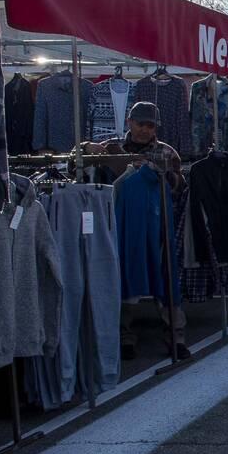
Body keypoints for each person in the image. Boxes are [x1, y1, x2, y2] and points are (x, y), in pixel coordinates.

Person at [81, 101, 188, 361]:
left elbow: (180, 185)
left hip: (158, 225)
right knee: (123, 277)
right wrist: (86, 147)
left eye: (151, 126)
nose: (145, 130)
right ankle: (124, 337)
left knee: (165, 278)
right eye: (141, 124)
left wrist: (156, 173)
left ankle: (176, 338)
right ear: (130, 122)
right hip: (119, 225)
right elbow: (78, 159)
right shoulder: (112, 148)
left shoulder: (165, 151)